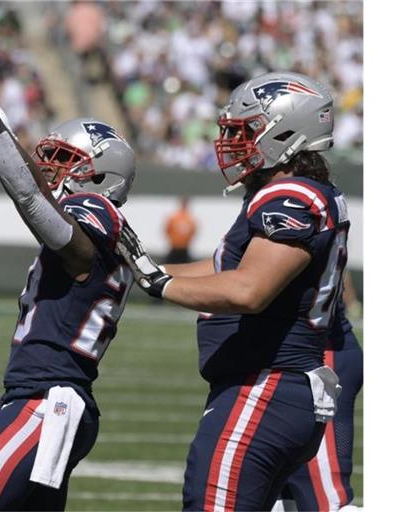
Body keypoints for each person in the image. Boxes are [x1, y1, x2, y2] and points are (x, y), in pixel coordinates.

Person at [117, 71, 350, 510]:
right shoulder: (290, 191)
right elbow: (226, 268)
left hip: (265, 387)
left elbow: (249, 289)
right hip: (271, 389)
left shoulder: (290, 196)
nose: (233, 142)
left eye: (245, 132)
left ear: (285, 132)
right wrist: (141, 268)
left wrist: (160, 283)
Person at [0, 54, 137, 511]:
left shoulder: (98, 215)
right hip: (49, 404)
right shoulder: (106, 231)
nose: (49, 170)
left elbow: (29, 195)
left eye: (64, 160)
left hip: (46, 405)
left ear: (100, 177)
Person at [273, 297, 363, 511]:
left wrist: (176, 283)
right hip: (275, 364)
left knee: (327, 504)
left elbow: (247, 290)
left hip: (314, 359)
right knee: (277, 501)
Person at [164, 196, 197, 264]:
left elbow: (193, 231)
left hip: (184, 248)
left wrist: (186, 241)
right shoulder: (174, 217)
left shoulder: (189, 218)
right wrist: (173, 240)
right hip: (174, 247)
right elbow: (167, 229)